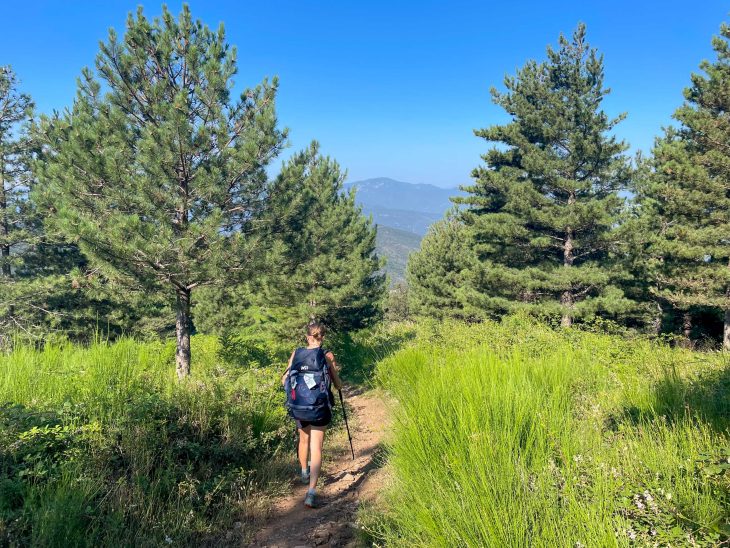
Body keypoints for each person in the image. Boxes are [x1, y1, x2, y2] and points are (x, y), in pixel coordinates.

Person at [281, 322, 343, 508]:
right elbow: (337, 383)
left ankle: (303, 472)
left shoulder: (296, 354)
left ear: (307, 337)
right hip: (318, 407)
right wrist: (338, 385)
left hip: (299, 406)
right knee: (316, 447)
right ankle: (311, 492)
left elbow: (284, 378)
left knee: (304, 441)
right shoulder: (327, 355)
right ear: (322, 337)